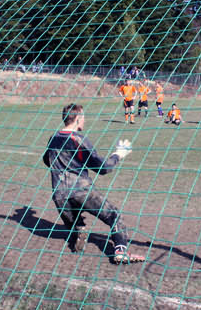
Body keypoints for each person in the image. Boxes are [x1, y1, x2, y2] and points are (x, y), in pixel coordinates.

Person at [42, 104, 145, 264]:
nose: (85, 120)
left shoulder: (53, 138)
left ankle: (78, 231)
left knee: (74, 223)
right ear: (77, 119)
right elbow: (102, 168)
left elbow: (46, 160)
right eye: (83, 117)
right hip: (81, 190)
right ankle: (121, 251)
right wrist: (118, 154)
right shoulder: (78, 139)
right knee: (114, 215)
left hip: (59, 194)